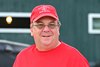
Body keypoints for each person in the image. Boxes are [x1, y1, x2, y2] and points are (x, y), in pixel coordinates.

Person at [13, 4, 90, 67]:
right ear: (32, 29)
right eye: (40, 25)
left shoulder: (74, 58)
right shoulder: (23, 58)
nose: (46, 29)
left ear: (58, 28)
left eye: (52, 25)